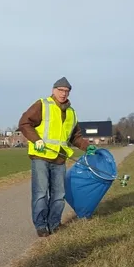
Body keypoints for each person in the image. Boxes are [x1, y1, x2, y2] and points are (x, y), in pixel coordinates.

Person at [18, 77, 96, 237]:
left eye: (66, 91)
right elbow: (24, 123)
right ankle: (41, 226)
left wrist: (88, 147)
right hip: (40, 156)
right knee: (40, 193)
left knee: (59, 195)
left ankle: (54, 224)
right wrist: (36, 139)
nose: (63, 94)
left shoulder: (71, 112)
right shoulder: (42, 104)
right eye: (61, 90)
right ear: (54, 90)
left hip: (59, 159)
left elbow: (75, 136)